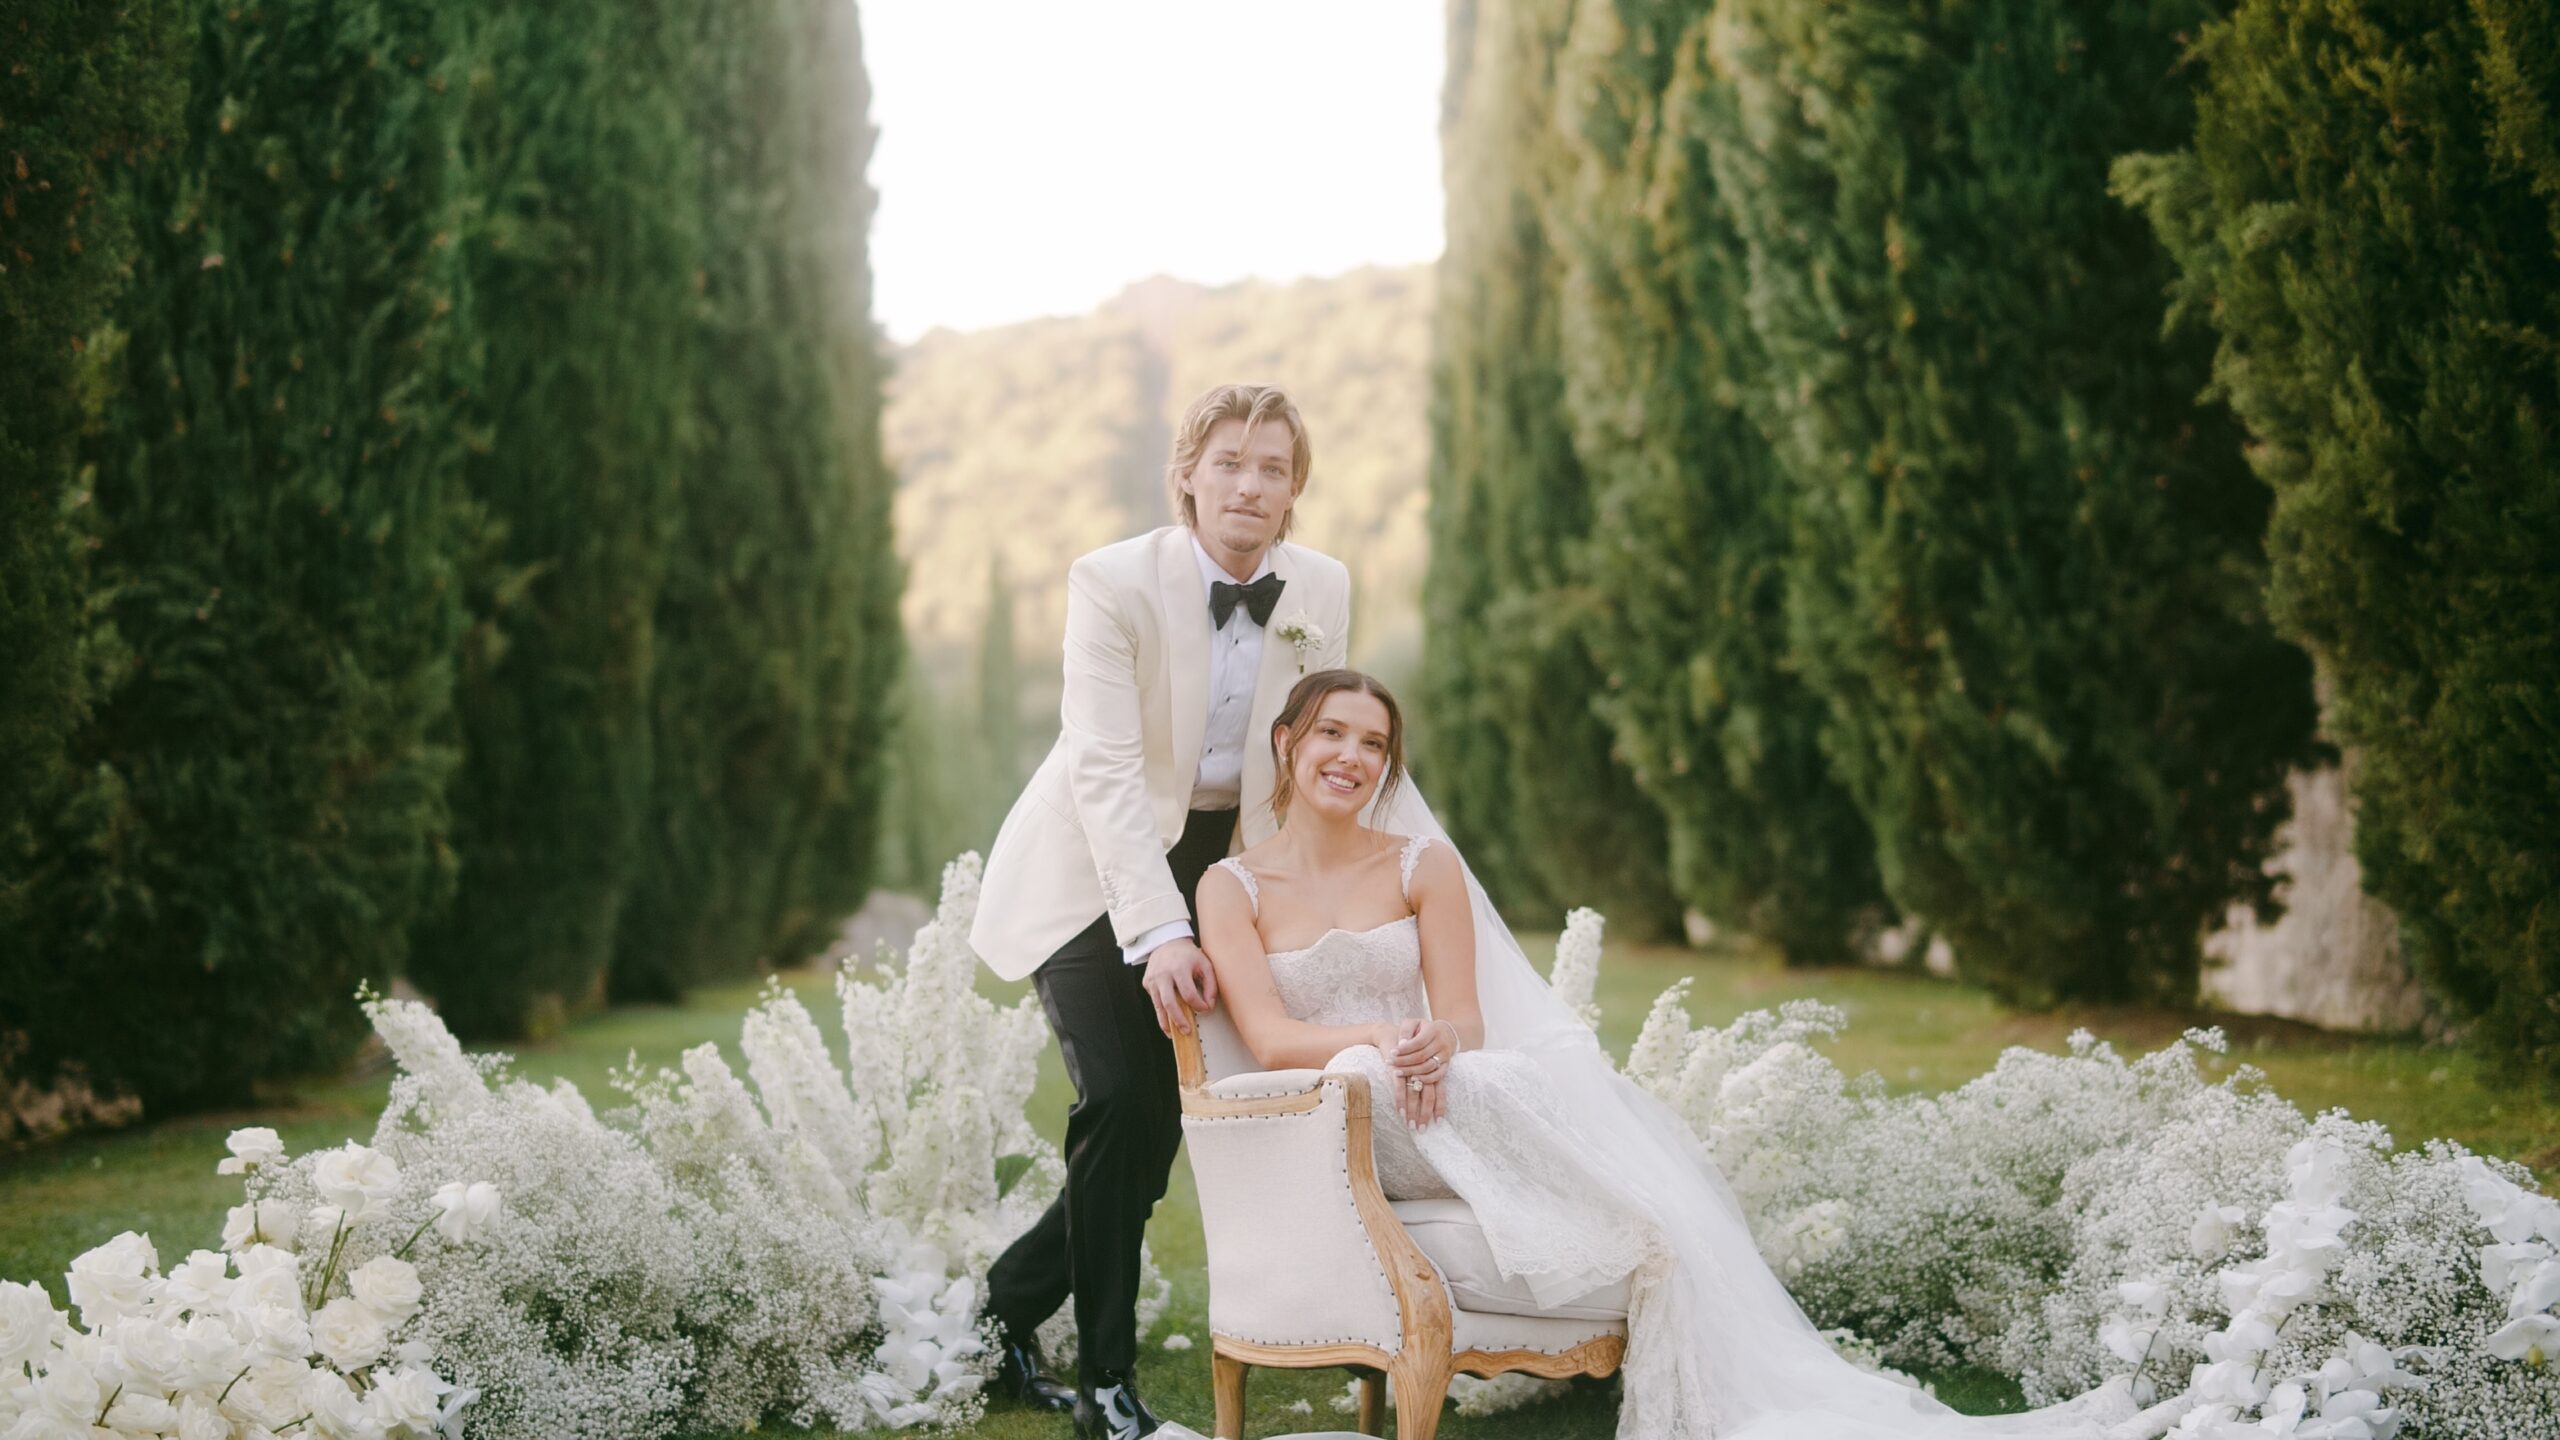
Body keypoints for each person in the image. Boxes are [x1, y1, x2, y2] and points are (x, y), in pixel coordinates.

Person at [1194, 668, 2143, 1440]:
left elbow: (1466, 1026)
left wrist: (1435, 1040)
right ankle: (1594, 1210)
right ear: (1287, 742)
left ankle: (1632, 1224)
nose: (1352, 758)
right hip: (1346, 1110)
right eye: (1332, 734)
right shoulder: (1232, 885)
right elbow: (1271, 1040)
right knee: (1362, 1072)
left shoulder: (1418, 865)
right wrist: (1382, 1039)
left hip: (1436, 1091)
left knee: (1501, 1074)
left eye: (1374, 743)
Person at [968, 383, 1351, 1440]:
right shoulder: (1110, 582)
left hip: (1222, 862)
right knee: (1124, 1101)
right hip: (1091, 866)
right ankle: (1103, 1388)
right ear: (1186, 473)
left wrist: (1290, 897)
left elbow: (1305, 754)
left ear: (1293, 491)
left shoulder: (1321, 586)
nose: (1249, 484)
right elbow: (1101, 771)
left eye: (1273, 467)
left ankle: (999, 1313)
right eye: (1229, 460)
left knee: (1156, 1133)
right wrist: (1161, 931)